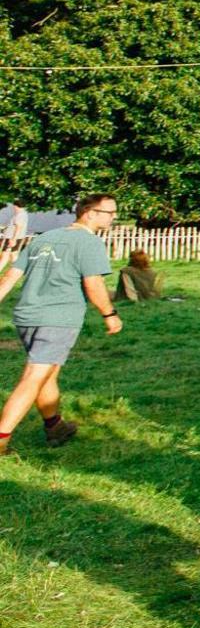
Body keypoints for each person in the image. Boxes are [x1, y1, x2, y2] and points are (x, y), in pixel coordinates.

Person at [0, 192, 122, 455]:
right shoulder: (89, 243)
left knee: (47, 373)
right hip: (57, 319)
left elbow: (9, 277)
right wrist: (109, 314)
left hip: (26, 316)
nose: (114, 217)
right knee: (33, 377)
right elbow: (94, 284)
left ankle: (55, 427)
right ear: (90, 213)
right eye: (110, 213)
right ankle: (1, 439)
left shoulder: (44, 238)